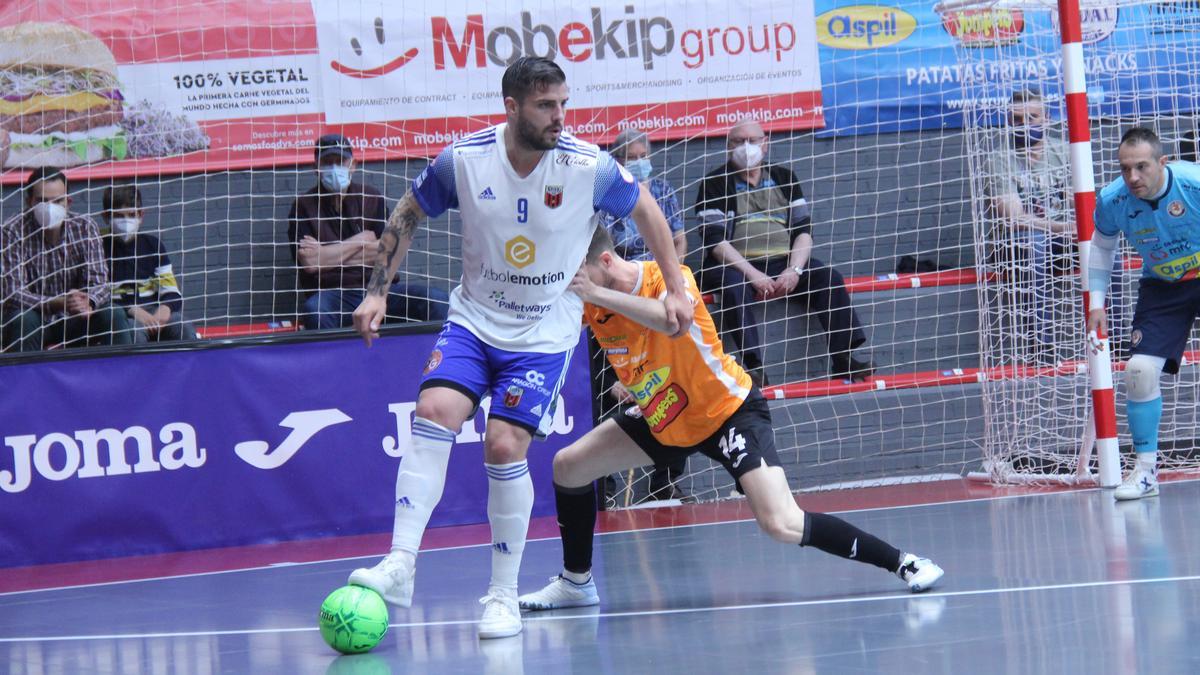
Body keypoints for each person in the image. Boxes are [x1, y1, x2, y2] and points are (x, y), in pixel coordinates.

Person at [346, 57, 695, 640]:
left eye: (563, 103)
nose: (560, 116)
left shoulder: (589, 166)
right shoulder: (463, 159)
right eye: (545, 106)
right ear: (512, 107)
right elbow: (407, 213)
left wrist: (677, 288)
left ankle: (502, 595)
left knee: (504, 445)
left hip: (542, 334)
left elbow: (650, 213)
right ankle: (401, 564)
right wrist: (377, 292)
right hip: (474, 320)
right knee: (432, 411)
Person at [518, 226, 943, 611]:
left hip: (727, 412)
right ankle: (576, 583)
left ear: (605, 262)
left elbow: (672, 323)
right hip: (663, 416)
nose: (574, 284)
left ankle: (902, 561)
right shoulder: (589, 301)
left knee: (781, 522)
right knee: (568, 467)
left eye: (579, 273)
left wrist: (596, 294)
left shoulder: (668, 277)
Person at [696, 119, 872, 384]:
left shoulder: (784, 177)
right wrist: (753, 274)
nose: (747, 147)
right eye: (739, 141)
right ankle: (753, 366)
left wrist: (795, 269)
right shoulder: (713, 183)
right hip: (734, 266)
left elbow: (803, 231)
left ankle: (843, 358)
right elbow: (715, 242)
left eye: (753, 140)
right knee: (732, 284)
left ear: (765, 145)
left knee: (828, 277)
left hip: (783, 263)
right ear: (728, 147)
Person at [1088, 127, 1200, 500]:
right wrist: (1096, 302)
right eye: (1125, 169)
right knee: (1137, 372)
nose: (1132, 177)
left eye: (1141, 167)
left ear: (1162, 162)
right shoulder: (1113, 201)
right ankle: (1146, 473)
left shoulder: (1193, 183)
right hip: (1163, 285)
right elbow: (1102, 248)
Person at [599, 128, 687, 500]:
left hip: (660, 289)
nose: (640, 160)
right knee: (612, 386)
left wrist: (669, 282)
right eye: (631, 155)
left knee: (672, 382)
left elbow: (678, 240)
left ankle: (665, 480)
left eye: (643, 153)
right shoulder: (605, 199)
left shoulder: (663, 191)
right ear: (619, 161)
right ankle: (603, 481)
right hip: (618, 295)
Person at [288, 133, 448, 331]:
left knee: (437, 300)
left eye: (340, 161)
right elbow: (311, 263)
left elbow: (388, 250)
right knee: (315, 311)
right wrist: (363, 240)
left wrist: (327, 255)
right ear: (316, 167)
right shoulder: (303, 207)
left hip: (379, 288)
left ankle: (436, 360)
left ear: (353, 164)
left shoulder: (371, 197)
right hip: (334, 295)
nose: (335, 168)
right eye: (327, 162)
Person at [986, 89, 1079, 362]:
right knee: (1035, 242)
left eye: (1032, 117)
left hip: (1060, 242)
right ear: (1007, 122)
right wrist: (1064, 227)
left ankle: (1117, 339)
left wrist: (1078, 227)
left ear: (1047, 119)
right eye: (1017, 119)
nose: (1025, 124)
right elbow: (1016, 220)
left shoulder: (1062, 151)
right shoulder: (999, 157)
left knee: (1108, 248)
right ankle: (1042, 347)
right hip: (1013, 249)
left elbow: (1083, 203)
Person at [1, 167, 134, 351]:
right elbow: (13, 293)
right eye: (42, 201)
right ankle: (27, 379)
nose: (50, 207)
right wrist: (56, 303)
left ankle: (123, 376)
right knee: (23, 319)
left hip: (77, 318)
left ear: (68, 202)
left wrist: (88, 301)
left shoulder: (84, 227)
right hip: (35, 320)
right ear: (29, 202)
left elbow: (100, 283)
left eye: (57, 201)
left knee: (113, 314)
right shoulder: (12, 230)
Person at [100, 185, 196, 343]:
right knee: (133, 332)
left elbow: (171, 291)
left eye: (132, 215)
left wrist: (165, 309)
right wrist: (133, 311)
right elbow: (99, 297)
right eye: (118, 216)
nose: (126, 221)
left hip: (154, 310)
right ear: (106, 217)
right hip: (122, 315)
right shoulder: (97, 246)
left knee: (181, 325)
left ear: (141, 215)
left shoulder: (153, 245)